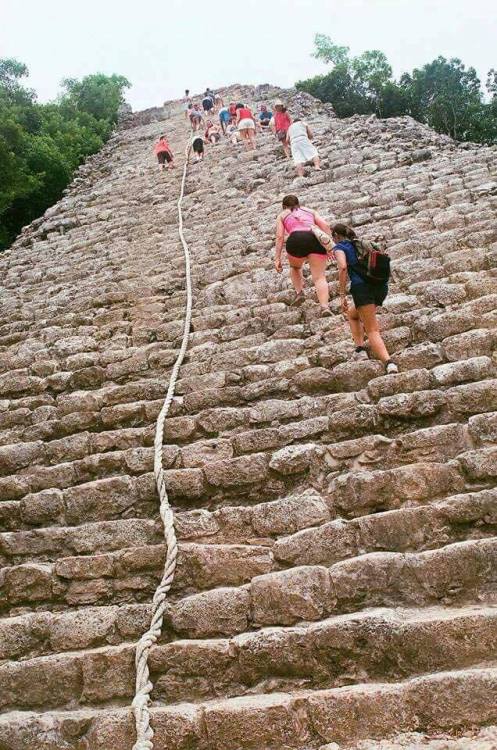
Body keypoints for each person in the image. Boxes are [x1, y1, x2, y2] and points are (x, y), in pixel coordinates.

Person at [332, 223, 398, 373]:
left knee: (372, 330)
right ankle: (360, 349)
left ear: (336, 236)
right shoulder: (362, 244)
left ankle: (389, 363)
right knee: (352, 314)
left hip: (362, 289)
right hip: (380, 287)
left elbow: (342, 267)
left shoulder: (340, 248)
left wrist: (342, 294)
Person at [275, 195, 333, 314]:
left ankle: (299, 292)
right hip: (313, 238)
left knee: (295, 267)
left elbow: (280, 237)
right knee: (319, 277)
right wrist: (329, 246)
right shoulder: (310, 211)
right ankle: (324, 307)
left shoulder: (282, 215)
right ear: (298, 204)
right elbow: (326, 225)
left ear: (284, 207)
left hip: (295, 240)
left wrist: (277, 258)